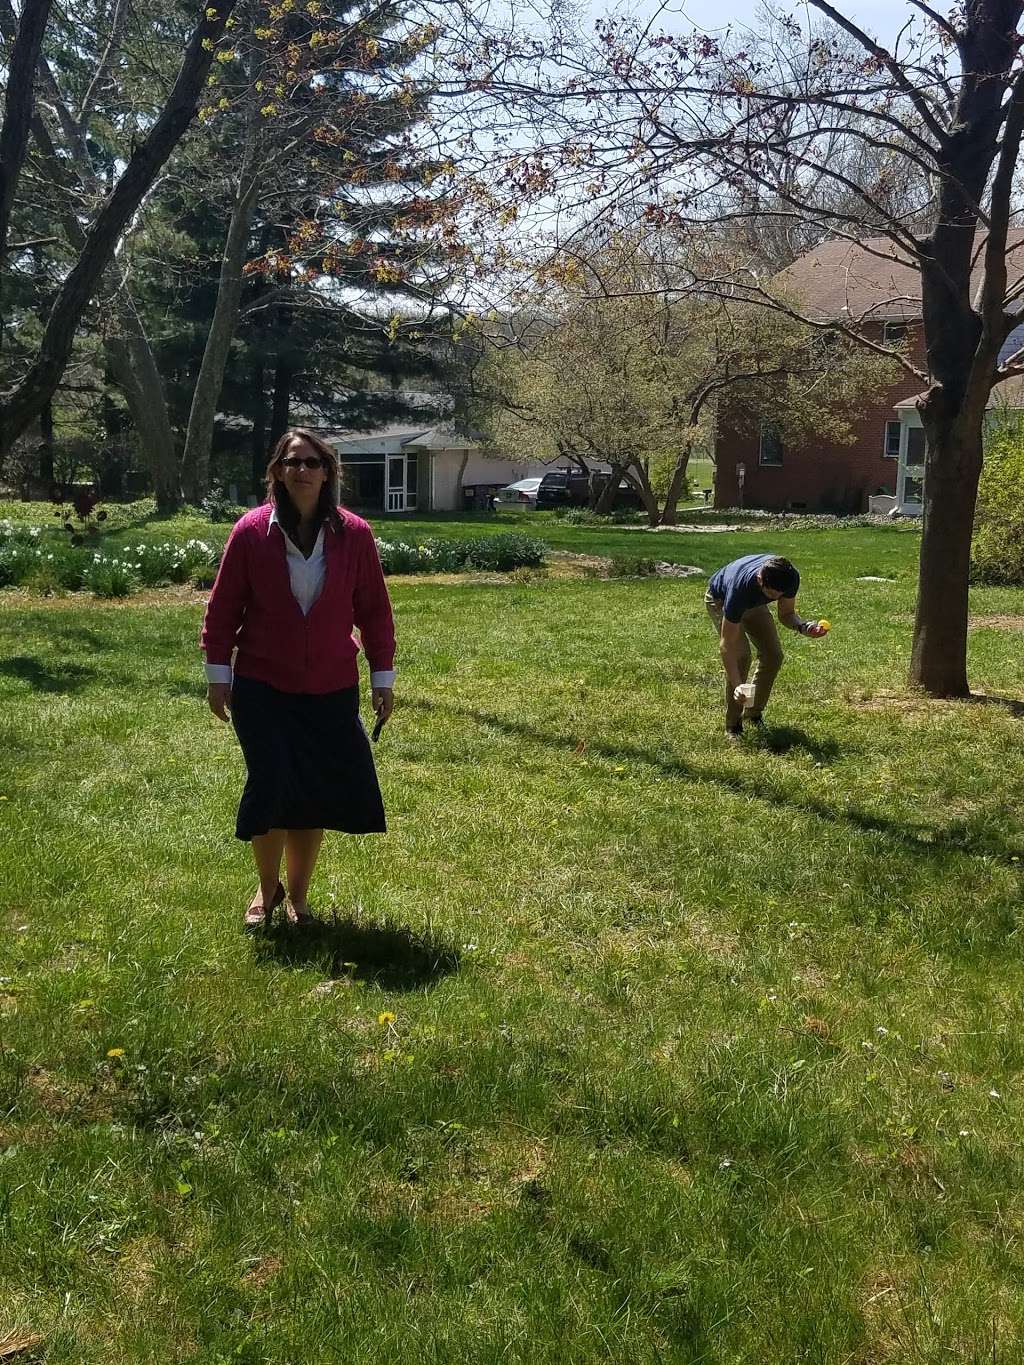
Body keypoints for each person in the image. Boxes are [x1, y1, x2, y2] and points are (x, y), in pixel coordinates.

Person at [200, 428, 396, 930]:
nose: (302, 471)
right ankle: (266, 892)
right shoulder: (250, 532)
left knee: (311, 794)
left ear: (328, 471)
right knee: (269, 784)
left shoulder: (354, 534)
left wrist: (382, 675)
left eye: (312, 462)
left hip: (330, 685)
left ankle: (299, 899)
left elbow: (374, 611)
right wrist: (218, 676)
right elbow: (223, 609)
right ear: (278, 472)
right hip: (262, 684)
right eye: (292, 462)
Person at [705, 553, 827, 737]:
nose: (775, 598)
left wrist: (804, 627)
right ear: (760, 579)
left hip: (754, 603)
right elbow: (727, 644)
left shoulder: (789, 577)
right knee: (741, 656)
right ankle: (733, 726)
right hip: (720, 600)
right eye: (770, 594)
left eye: (778, 595)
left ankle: (753, 715)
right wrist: (738, 685)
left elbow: (786, 615)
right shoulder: (740, 590)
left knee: (773, 655)